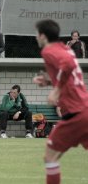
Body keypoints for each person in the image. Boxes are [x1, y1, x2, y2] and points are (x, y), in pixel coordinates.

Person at [33, 19, 88, 184]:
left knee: (50, 157)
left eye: (37, 34)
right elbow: (69, 71)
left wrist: (55, 91)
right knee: (53, 156)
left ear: (43, 36)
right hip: (84, 108)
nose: (36, 37)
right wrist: (50, 82)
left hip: (75, 113)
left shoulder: (48, 51)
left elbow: (69, 65)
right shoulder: (64, 48)